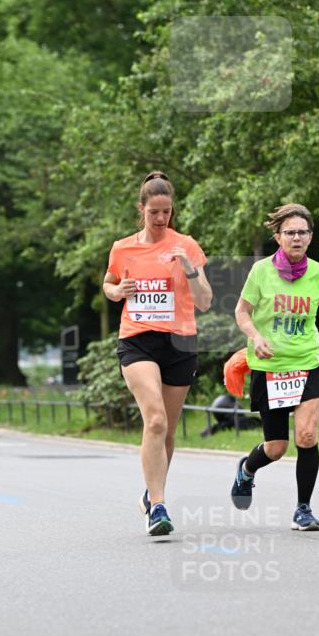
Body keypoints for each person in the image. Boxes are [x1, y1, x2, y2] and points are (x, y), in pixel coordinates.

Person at [231, 203, 319, 531]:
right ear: (278, 237)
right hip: (270, 366)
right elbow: (242, 312)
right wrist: (255, 336)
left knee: (308, 434)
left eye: (302, 232)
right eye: (290, 232)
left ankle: (303, 509)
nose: (296, 238)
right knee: (276, 448)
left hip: (309, 363)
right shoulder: (260, 272)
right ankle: (247, 470)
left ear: (311, 238)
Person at [103, 170, 212, 535]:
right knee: (155, 420)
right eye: (155, 213)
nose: (162, 219)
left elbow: (206, 302)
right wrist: (118, 292)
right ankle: (160, 508)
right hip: (137, 340)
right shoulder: (123, 247)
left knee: (168, 430)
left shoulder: (187, 246)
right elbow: (108, 283)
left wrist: (189, 270)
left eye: (167, 212)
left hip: (180, 343)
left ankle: (151, 494)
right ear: (142, 209)